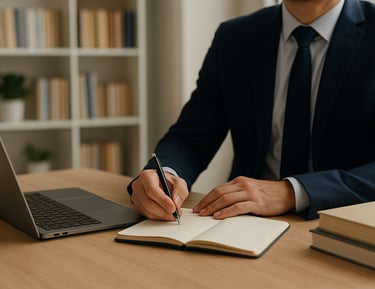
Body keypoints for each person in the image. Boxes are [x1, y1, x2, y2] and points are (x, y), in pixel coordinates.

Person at [128, 0, 375, 221]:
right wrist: (163, 174)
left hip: (344, 227)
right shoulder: (235, 37)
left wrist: (293, 191)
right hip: (245, 223)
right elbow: (191, 136)